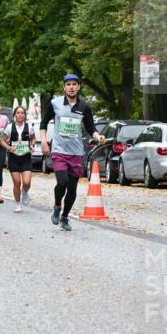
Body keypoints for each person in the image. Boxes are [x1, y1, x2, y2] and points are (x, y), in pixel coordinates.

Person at [40, 74, 105, 231]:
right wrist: (43, 141)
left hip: (76, 152)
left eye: (74, 84)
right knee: (62, 182)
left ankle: (64, 217)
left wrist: (98, 136)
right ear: (64, 87)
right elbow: (43, 123)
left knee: (72, 188)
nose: (71, 87)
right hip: (59, 150)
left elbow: (91, 128)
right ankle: (57, 206)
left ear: (78, 87)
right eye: (68, 84)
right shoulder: (55, 103)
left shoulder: (84, 107)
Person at [1, 105, 34, 213]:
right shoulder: (10, 127)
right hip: (14, 158)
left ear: (25, 115)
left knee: (26, 182)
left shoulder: (29, 127)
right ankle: (18, 204)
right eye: (18, 113)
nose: (20, 115)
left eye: (22, 113)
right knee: (17, 182)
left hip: (26, 157)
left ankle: (25, 192)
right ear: (15, 115)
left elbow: (33, 139)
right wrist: (9, 147)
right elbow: (2, 141)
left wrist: (32, 145)